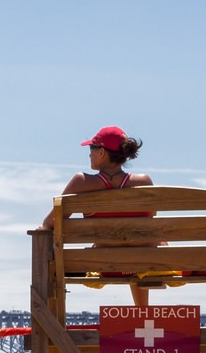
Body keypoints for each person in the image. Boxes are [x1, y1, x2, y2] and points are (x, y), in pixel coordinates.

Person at [52, 126, 158, 305]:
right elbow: (151, 218)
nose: (89, 154)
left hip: (105, 265)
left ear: (101, 152)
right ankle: (142, 311)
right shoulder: (144, 182)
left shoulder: (81, 183)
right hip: (147, 264)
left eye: (91, 149)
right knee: (141, 246)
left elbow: (52, 222)